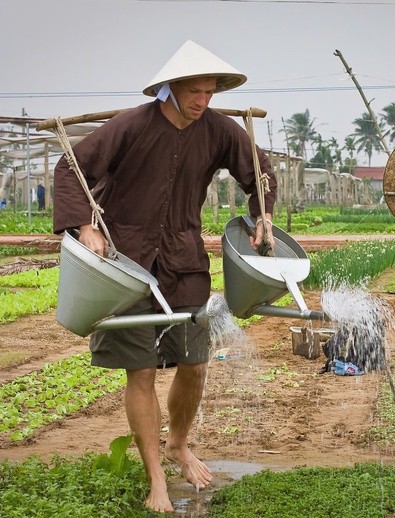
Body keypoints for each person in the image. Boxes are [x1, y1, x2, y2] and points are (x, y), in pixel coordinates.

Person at [52, 40, 276, 513]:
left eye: (210, 92)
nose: (202, 101)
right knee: (142, 370)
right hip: (125, 264)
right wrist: (86, 225)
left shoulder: (218, 130)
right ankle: (156, 477)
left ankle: (178, 444)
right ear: (170, 89)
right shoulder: (130, 126)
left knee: (195, 364)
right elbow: (69, 170)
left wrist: (263, 215)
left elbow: (260, 171)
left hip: (183, 260)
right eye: (194, 91)